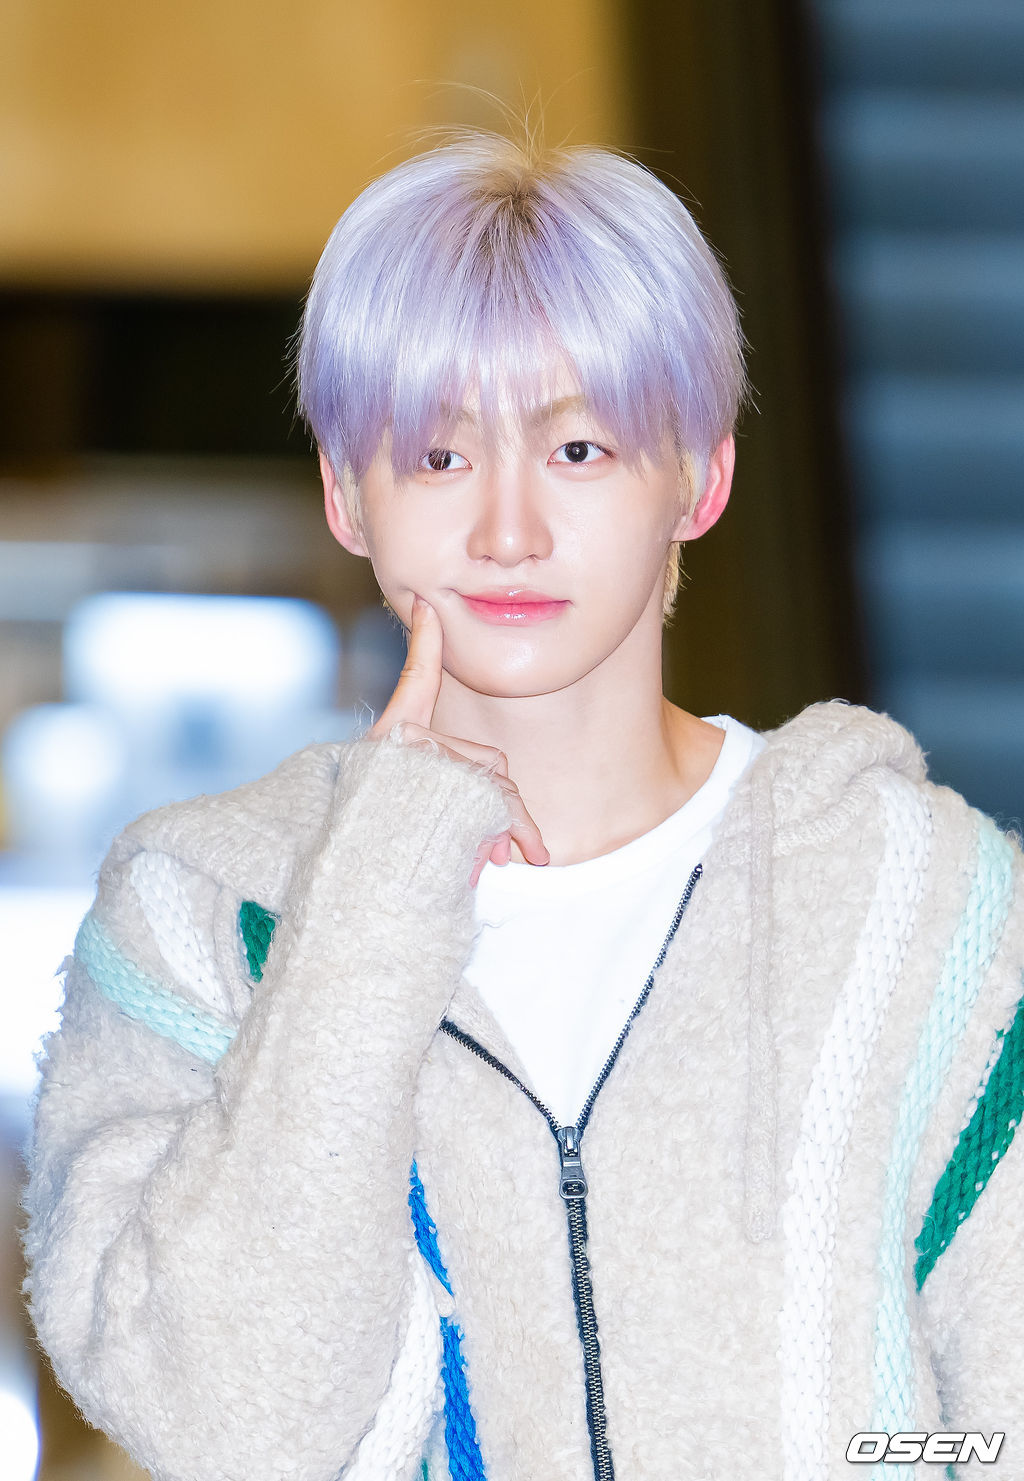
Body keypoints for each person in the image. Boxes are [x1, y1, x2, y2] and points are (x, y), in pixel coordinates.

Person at [22, 128, 1023, 1481]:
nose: (507, 531)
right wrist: (375, 888)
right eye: (440, 457)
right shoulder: (200, 917)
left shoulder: (923, 899)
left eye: (580, 449)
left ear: (702, 478)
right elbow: (231, 1428)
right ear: (347, 494)